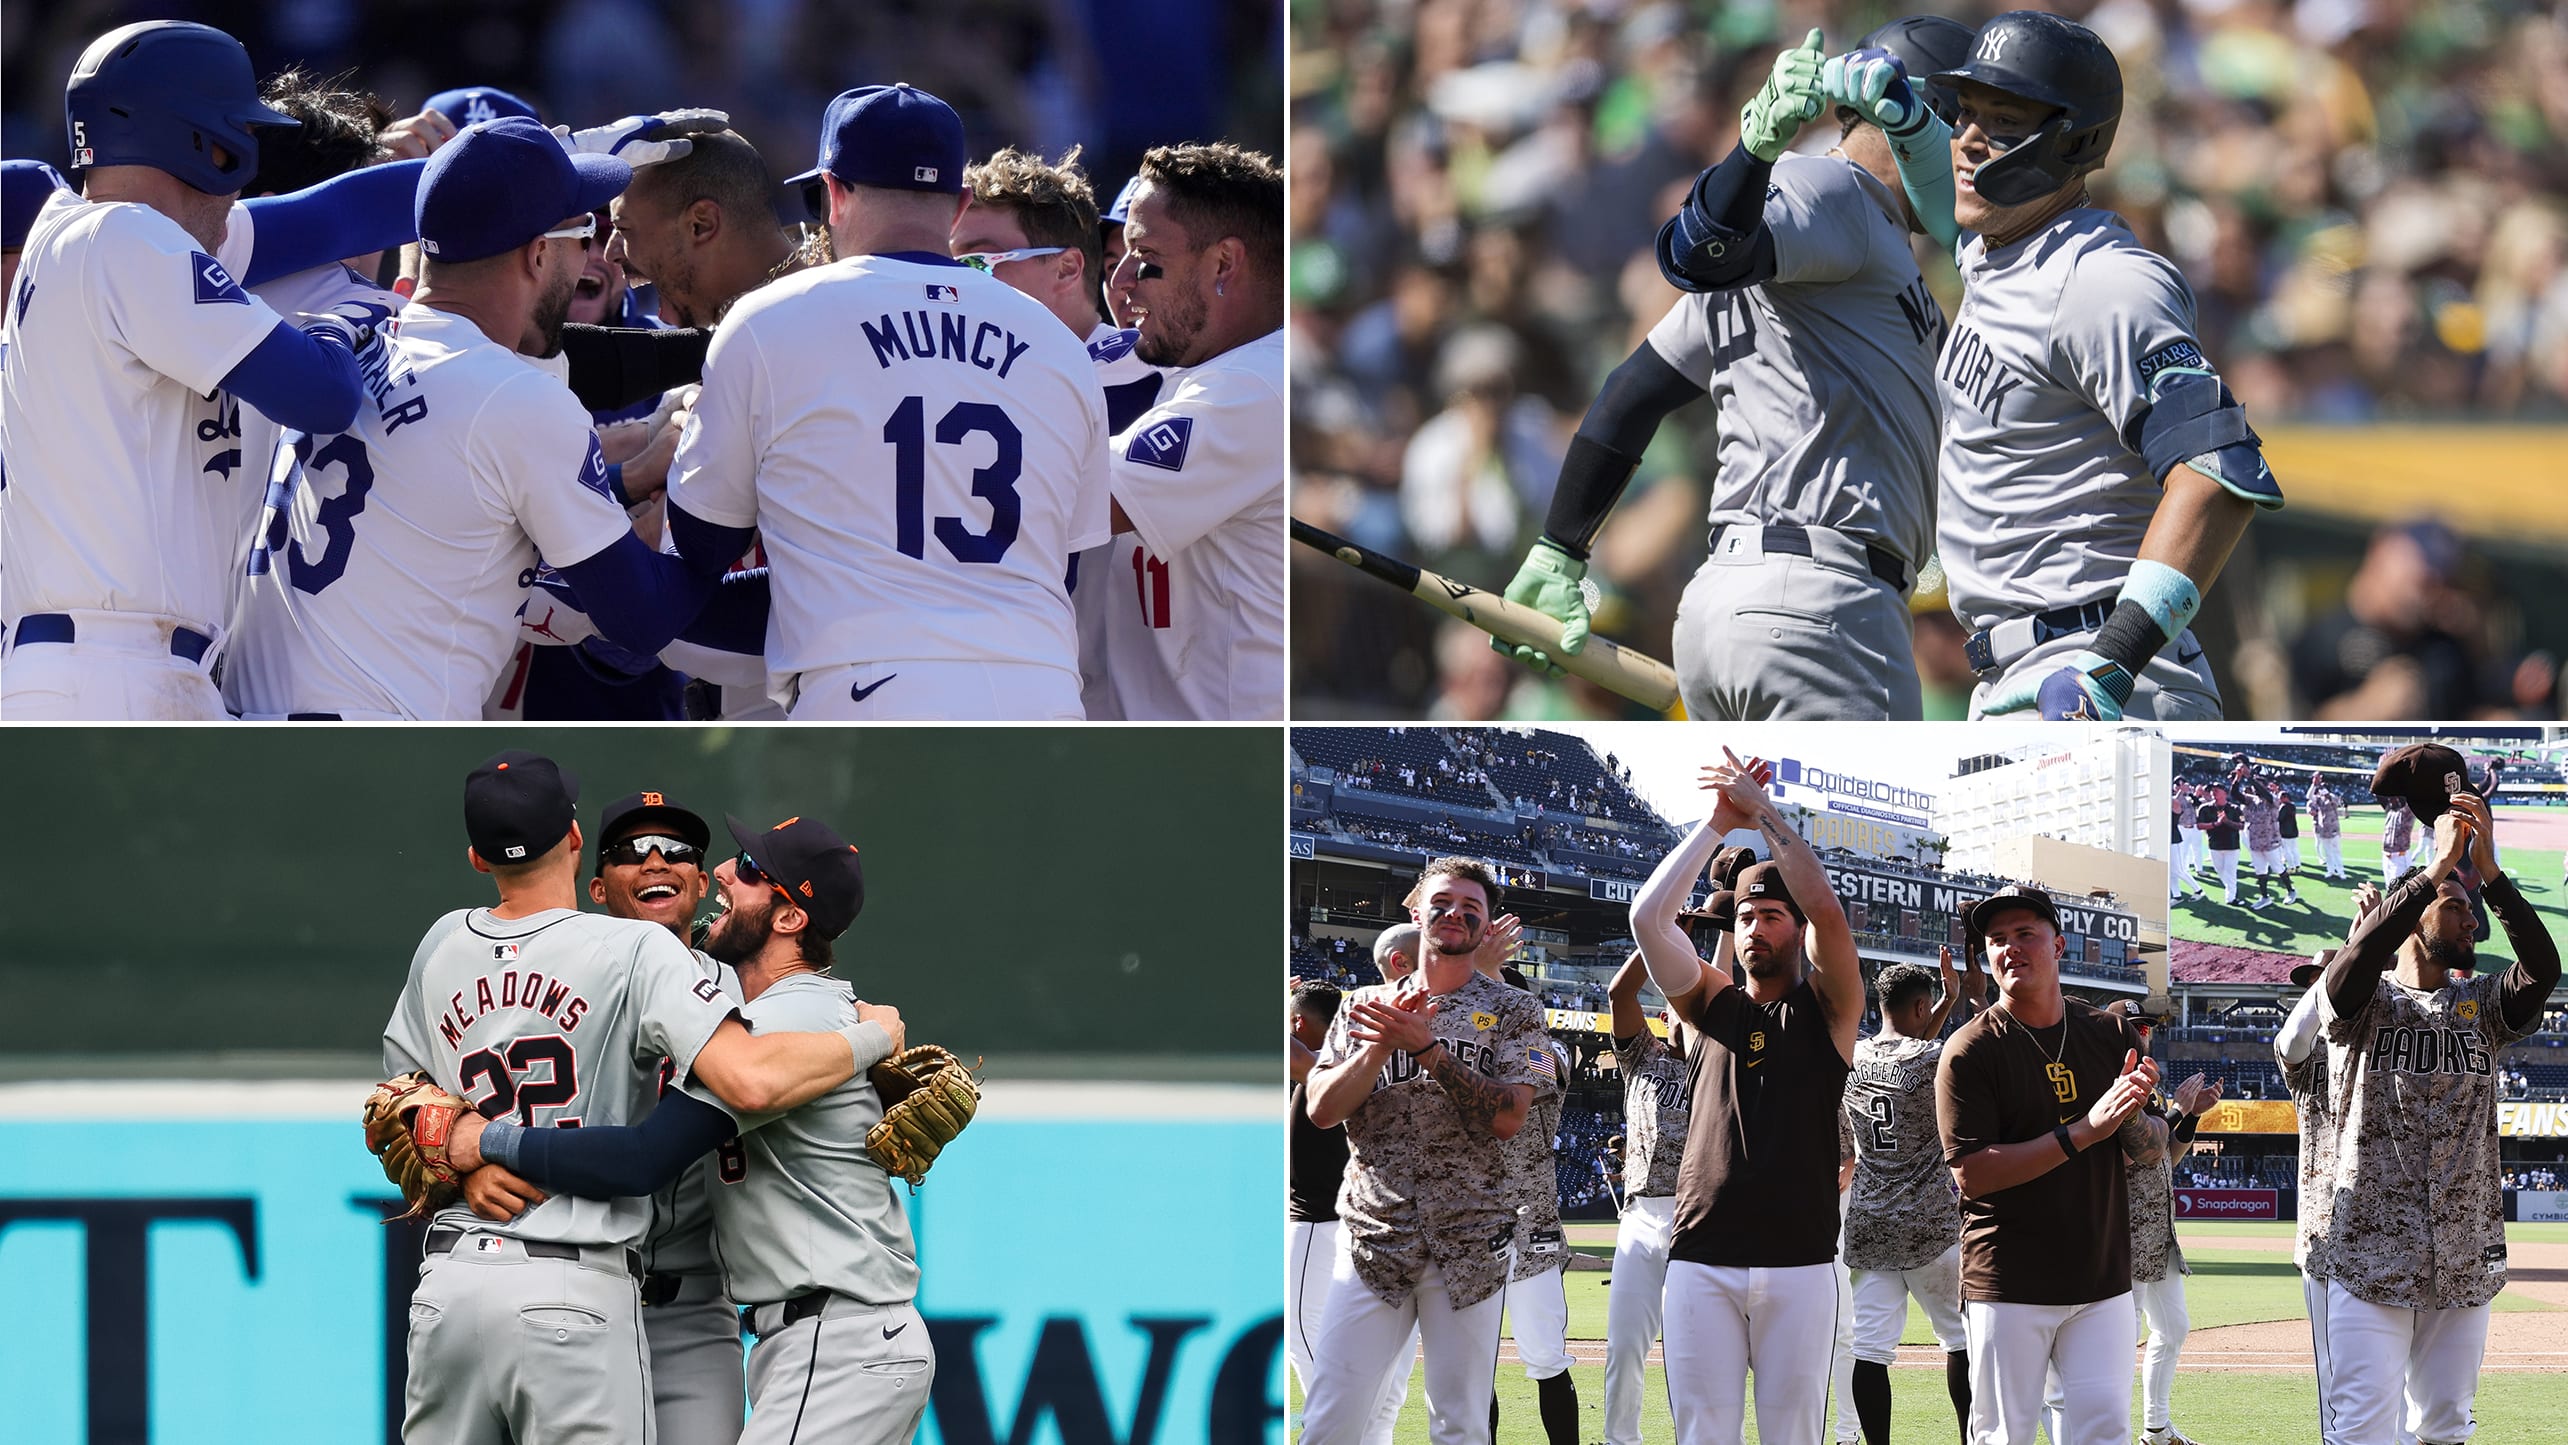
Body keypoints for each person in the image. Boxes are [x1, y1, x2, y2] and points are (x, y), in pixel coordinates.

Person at [378, 752, 897, 1445]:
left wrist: (860, 1067)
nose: (658, 860)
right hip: (584, 1279)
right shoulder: (628, 954)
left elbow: (401, 1100)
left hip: (683, 1301)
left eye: (678, 847)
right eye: (630, 850)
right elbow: (402, 1109)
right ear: (588, 871)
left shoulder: (754, 995)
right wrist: (872, 1037)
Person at [1495, 17, 1978, 721]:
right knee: (1860, 834)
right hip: (1823, 607)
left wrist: (1560, 549)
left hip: (1734, 604)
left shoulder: (1842, 253)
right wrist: (1754, 149)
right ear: (1922, 113)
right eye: (1971, 126)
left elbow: (1633, 393)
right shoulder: (1834, 193)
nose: (1979, 154)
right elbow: (1703, 250)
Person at [225, 117, 713, 718]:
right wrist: (717, 484)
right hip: (372, 757)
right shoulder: (516, 399)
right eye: (583, 231)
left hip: (244, 735)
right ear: (538, 254)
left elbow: (457, 505)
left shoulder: (351, 325)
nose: (592, 250)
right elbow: (642, 618)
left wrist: (633, 475)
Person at [0, 20, 420, 718]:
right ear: (195, 142)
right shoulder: (125, 240)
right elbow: (320, 391)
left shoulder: (88, 242)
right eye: (236, 137)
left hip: (92, 666)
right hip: (114, 671)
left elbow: (332, 216)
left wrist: (548, 162)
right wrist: (340, 316)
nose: (241, 180)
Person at [664, 84, 1111, 719]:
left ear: (834, 191)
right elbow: (1059, 567)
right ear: (959, 205)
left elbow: (703, 543)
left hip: (867, 689)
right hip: (1042, 691)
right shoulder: (1058, 342)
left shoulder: (769, 319)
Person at [1896, 11, 2283, 720]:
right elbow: (1948, 199)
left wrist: (2112, 662)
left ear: (2071, 139)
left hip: (2100, 672)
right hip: (2016, 674)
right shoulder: (1999, 250)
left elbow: (2217, 475)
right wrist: (1895, 119)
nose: (1968, 139)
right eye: (1965, 112)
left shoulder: (2103, 281)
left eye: (2004, 120)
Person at [2314, 777, 2558, 1445]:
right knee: (2362, 1429)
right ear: (2418, 917)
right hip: (2371, 1255)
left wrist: (2489, 875)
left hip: (2462, 1259)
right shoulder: (2365, 1002)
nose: (2471, 920)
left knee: (2447, 1428)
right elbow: (2348, 972)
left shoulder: (2484, 1005)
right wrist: (2433, 873)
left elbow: (2544, 967)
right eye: (2458, 908)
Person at [1632, 750, 1865, 1445]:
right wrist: (1716, 824)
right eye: (1744, 918)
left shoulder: (1830, 1006)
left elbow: (1824, 902)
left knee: (1793, 1435)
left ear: (1797, 929)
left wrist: (1762, 815)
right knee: (1703, 1435)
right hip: (1703, 1252)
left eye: (1770, 915)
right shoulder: (1712, 1003)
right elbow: (1648, 919)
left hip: (1801, 1258)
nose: (1754, 927)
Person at [1300, 857, 1555, 1445]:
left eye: (1473, 908)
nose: (1456, 914)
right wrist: (1379, 1046)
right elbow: (1320, 1109)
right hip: (1373, 1238)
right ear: (1416, 910)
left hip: (1468, 1244)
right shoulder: (1363, 1002)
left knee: (1461, 1426)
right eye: (1443, 902)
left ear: (1486, 926)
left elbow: (1510, 1117)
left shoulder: (1516, 1010)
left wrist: (1427, 1050)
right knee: (1331, 1419)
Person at [1935, 884, 2161, 1444]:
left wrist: (2129, 1114)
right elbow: (1972, 1172)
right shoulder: (1969, 1049)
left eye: (2024, 935)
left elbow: (2152, 1148)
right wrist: (2085, 1130)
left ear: (2058, 945)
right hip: (2008, 1282)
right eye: (1996, 940)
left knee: (2104, 1434)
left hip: (2101, 1279)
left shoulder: (2110, 1033)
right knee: (2002, 1438)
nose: (2010, 948)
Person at [1080, 143, 1286, 720]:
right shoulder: (1209, 372)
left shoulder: (1253, 385)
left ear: (1223, 265)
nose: (1122, 281)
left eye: (1146, 258)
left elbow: (1078, 502)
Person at [1843, 953, 1980, 1444]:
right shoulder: (1936, 1056)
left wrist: (1941, 1002)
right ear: (1922, 1006)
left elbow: (1907, 1047)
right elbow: (1932, 1056)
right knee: (1961, 1342)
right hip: (1931, 1225)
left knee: (1871, 1351)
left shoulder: (1850, 1056)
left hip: (1869, 1224)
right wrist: (1959, 1000)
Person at [1602, 949, 1698, 1445]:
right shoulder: (1641, 1058)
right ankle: (1620, 1440)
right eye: (1676, 1011)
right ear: (1663, 1018)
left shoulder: (1718, 1066)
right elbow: (1619, 993)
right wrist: (1659, 939)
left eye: (1693, 1011)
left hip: (1697, 1217)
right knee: (1624, 1347)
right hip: (1640, 1216)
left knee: (1690, 1352)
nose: (1685, 1020)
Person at [2198, 786, 2243, 905]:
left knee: (2230, 871)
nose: (2213, 793)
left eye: (2217, 790)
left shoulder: (2234, 808)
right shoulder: (2205, 808)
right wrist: (2216, 824)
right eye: (2212, 790)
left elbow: (2242, 825)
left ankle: (2231, 898)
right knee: (2220, 871)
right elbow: (2199, 825)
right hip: (2214, 845)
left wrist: (2227, 821)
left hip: (2232, 845)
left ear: (2225, 793)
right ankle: (2231, 890)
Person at [2310, 774, 2348, 880]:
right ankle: (2330, 870)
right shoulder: (2319, 800)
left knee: (2337, 852)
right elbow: (2309, 796)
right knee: (2328, 853)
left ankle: (2341, 872)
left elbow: (2336, 801)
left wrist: (2326, 793)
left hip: (2334, 830)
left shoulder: (2333, 798)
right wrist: (2313, 785)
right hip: (2324, 830)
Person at [2381, 797, 2417, 881]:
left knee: (2398, 888)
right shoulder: (2390, 811)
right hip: (2386, 856)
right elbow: (2379, 795)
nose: (2390, 800)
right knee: (2389, 887)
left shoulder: (2407, 813)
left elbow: (2410, 801)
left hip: (2399, 857)